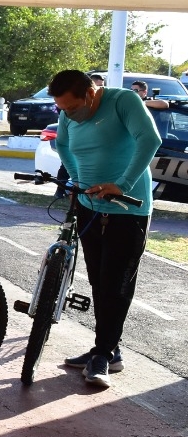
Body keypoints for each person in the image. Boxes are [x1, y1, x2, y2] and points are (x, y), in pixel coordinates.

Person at [49, 69, 161, 388]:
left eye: (71, 107)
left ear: (90, 94)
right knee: (99, 280)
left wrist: (121, 184)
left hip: (129, 209)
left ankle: (103, 354)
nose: (67, 114)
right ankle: (109, 349)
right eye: (62, 109)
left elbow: (150, 140)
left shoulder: (122, 101)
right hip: (90, 208)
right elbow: (63, 144)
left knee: (117, 282)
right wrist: (76, 180)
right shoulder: (69, 115)